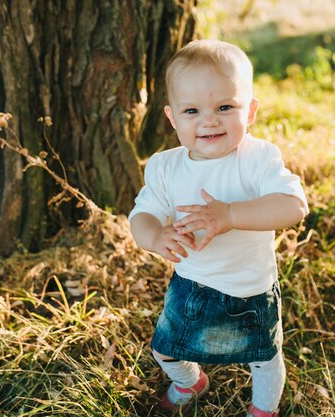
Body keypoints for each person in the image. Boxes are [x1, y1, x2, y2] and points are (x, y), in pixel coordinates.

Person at [128, 39, 308, 417]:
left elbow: (294, 205)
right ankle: (189, 381)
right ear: (173, 117)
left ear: (251, 110)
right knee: (164, 348)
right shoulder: (165, 167)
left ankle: (263, 409)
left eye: (225, 107)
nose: (209, 120)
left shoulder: (257, 159)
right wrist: (155, 236)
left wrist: (229, 216)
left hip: (250, 291)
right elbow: (141, 215)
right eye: (192, 110)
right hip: (190, 285)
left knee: (263, 357)